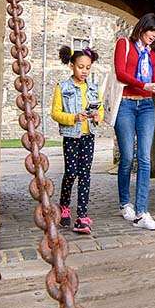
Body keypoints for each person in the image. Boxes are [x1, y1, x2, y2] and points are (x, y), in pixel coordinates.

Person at [114, 13, 155, 230]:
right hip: (125, 105)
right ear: (142, 28)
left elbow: (153, 83)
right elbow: (120, 73)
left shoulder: (154, 57)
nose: (154, 36)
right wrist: (143, 86)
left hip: (146, 106)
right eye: (151, 30)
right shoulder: (124, 44)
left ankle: (142, 212)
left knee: (144, 158)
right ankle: (124, 202)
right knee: (127, 157)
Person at [51, 45, 103, 234]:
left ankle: (82, 215)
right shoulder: (62, 87)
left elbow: (100, 109)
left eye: (88, 67)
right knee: (71, 173)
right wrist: (73, 117)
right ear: (72, 65)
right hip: (71, 137)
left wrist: (97, 116)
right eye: (81, 66)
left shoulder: (93, 87)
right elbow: (55, 113)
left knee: (85, 174)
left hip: (88, 136)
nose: (84, 71)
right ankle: (64, 206)